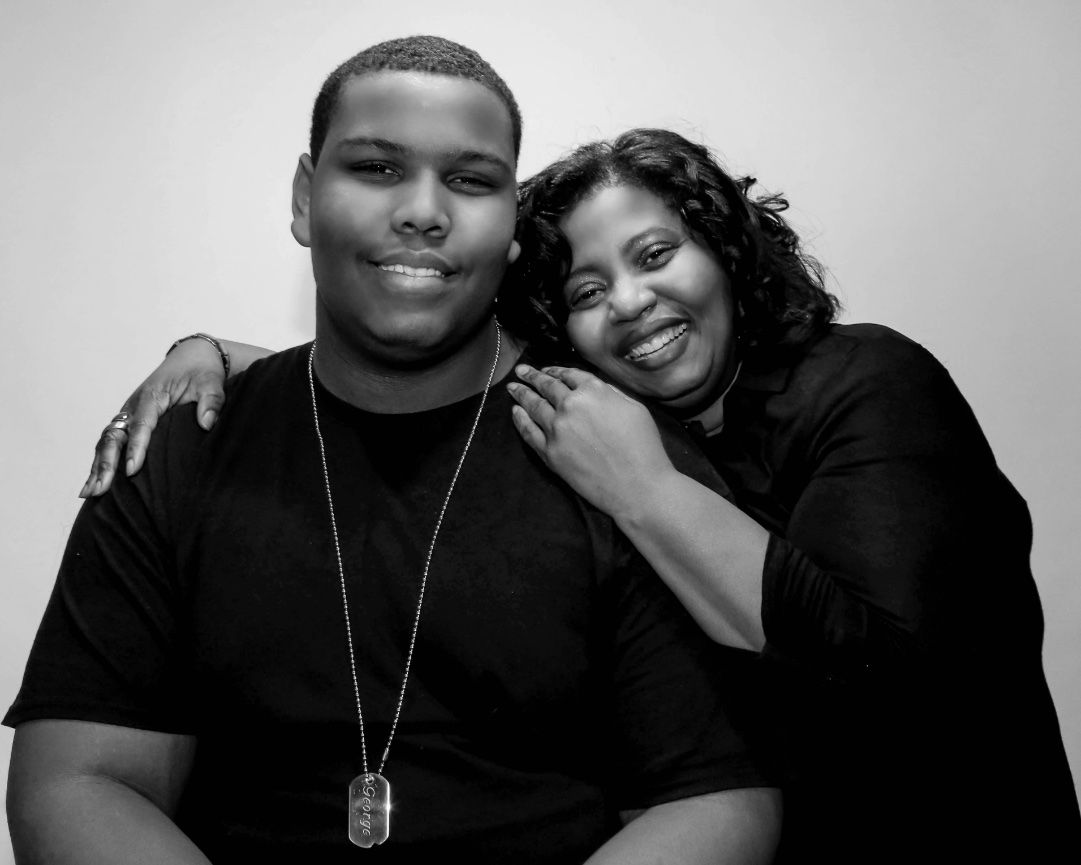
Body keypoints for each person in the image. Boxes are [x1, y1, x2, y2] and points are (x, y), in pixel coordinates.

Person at [86, 127, 1081, 862]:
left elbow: (881, 672)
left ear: (723, 248)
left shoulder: (866, 382)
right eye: (588, 290)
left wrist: (643, 489)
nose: (633, 302)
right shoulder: (613, 421)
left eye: (654, 255)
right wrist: (217, 355)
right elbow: (429, 368)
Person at [5, 40, 785, 864]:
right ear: (305, 197)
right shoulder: (183, 444)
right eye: (376, 168)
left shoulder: (615, 457)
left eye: (471, 180)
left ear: (512, 228)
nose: (422, 210)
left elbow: (713, 802)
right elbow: (76, 782)